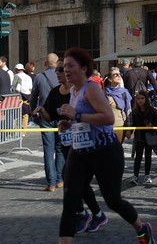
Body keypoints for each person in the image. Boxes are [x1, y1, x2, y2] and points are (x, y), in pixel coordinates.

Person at [48, 48, 154, 244]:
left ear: (84, 68)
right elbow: (82, 119)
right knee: (70, 201)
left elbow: (107, 118)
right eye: (63, 67)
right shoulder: (74, 91)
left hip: (105, 151)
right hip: (80, 152)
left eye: (70, 66)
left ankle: (142, 229)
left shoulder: (91, 89)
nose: (66, 70)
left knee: (113, 200)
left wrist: (76, 115)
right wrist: (68, 123)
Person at [35, 59, 106, 233]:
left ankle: (84, 213)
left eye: (61, 69)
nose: (58, 73)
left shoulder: (81, 92)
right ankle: (94, 214)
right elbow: (50, 115)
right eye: (58, 70)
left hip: (86, 143)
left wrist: (77, 118)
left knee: (74, 181)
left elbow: (99, 114)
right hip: (68, 144)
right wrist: (40, 112)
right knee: (77, 182)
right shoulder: (55, 92)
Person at [30, 53, 64, 191]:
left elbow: (33, 97)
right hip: (60, 116)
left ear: (46, 63)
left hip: (44, 116)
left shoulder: (39, 77)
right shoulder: (62, 77)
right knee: (60, 149)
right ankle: (60, 179)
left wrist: (34, 113)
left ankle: (51, 182)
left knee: (48, 150)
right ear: (57, 63)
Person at [127, 91, 157, 185]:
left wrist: (151, 125)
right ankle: (135, 176)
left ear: (146, 99)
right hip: (139, 136)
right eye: (138, 99)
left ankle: (147, 175)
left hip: (149, 136)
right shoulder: (135, 111)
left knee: (148, 156)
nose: (140, 101)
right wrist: (129, 132)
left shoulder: (152, 110)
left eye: (142, 98)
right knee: (138, 156)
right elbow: (132, 123)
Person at [12, 63, 33, 136]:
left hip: (18, 96)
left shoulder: (16, 76)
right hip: (27, 96)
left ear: (16, 69)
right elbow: (31, 88)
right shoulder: (28, 77)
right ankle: (23, 131)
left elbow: (14, 87)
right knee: (25, 114)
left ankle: (14, 131)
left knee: (15, 114)